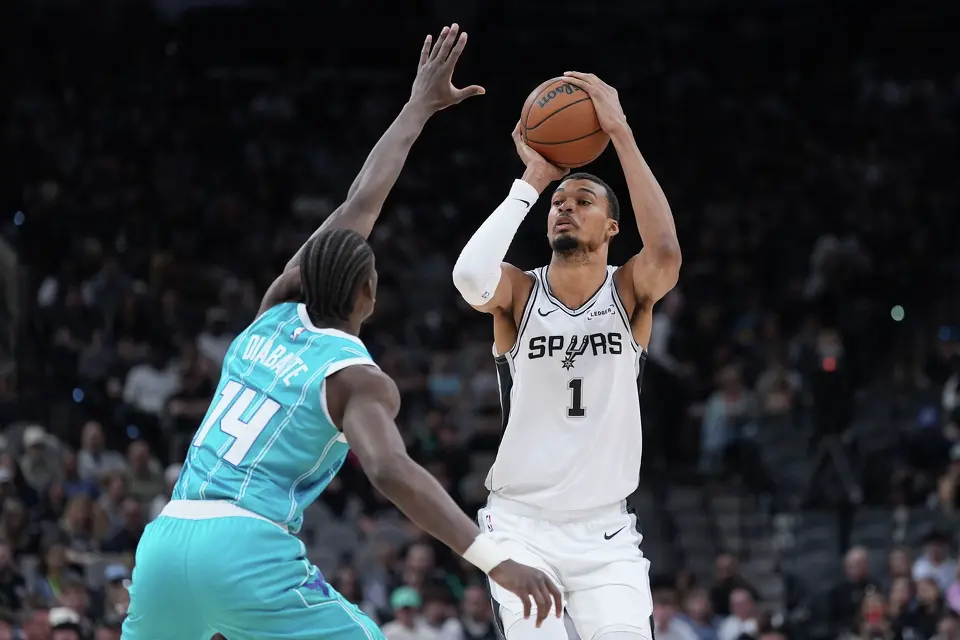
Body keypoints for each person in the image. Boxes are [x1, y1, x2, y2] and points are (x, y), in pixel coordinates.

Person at [121, 24, 561, 640]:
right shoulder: (357, 379)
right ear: (369, 296)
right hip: (248, 547)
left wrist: (418, 106)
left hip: (166, 542)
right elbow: (388, 471)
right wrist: (496, 560)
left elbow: (360, 201)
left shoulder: (271, 311)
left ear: (303, 275)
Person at [452, 71, 681, 640]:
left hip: (607, 535)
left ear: (612, 227)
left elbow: (668, 250)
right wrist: (531, 181)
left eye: (583, 201)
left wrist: (620, 133)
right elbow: (468, 276)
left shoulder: (628, 291)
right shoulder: (520, 293)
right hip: (522, 528)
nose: (565, 208)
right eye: (558, 202)